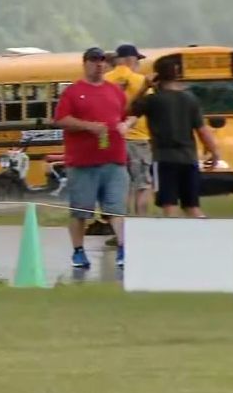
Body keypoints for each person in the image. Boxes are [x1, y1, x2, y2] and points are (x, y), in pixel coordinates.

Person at [53, 47, 131, 269]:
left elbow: (126, 115)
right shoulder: (73, 92)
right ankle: (78, 251)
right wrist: (89, 127)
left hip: (114, 160)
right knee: (81, 211)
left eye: (102, 61)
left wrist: (127, 124)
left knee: (116, 208)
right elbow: (60, 119)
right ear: (85, 63)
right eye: (94, 60)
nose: (99, 64)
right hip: (83, 162)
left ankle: (123, 248)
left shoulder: (115, 91)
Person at [129, 57, 220, 218]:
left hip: (164, 159)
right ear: (177, 74)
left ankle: (175, 239)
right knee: (192, 206)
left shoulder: (153, 100)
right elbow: (202, 129)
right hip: (189, 158)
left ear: (157, 75)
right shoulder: (190, 99)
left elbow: (128, 110)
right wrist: (214, 152)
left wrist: (144, 87)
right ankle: (206, 235)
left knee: (169, 205)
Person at [104, 43, 153, 217]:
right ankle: (140, 225)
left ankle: (121, 230)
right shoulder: (141, 81)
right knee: (142, 186)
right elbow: (148, 107)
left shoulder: (105, 80)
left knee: (121, 186)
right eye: (137, 60)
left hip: (111, 139)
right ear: (131, 59)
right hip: (138, 138)